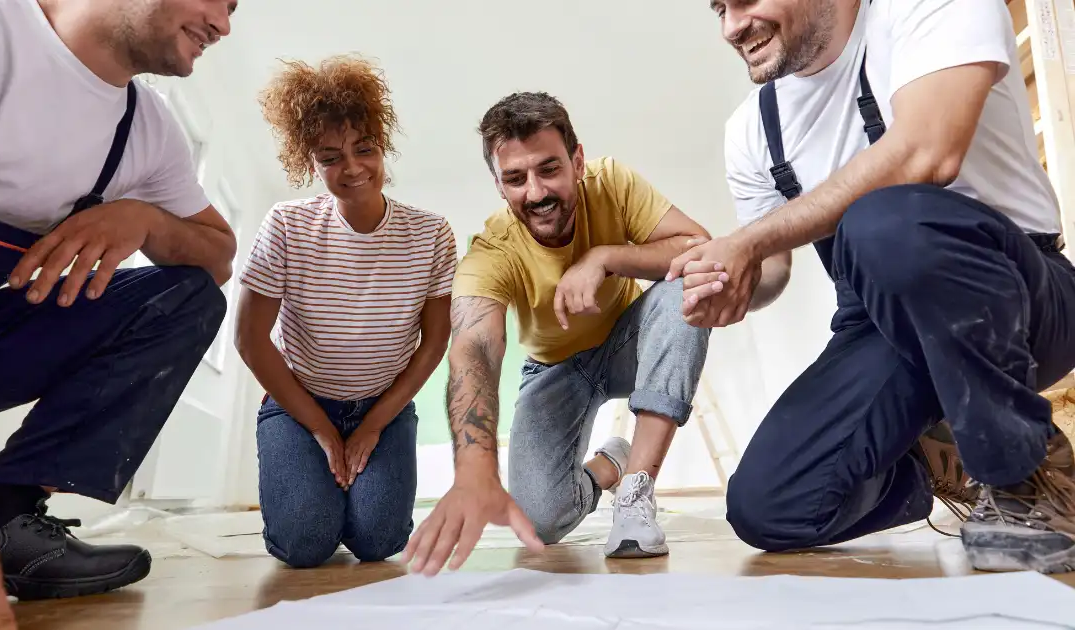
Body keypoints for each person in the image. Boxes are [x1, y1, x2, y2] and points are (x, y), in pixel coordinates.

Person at [674, 0, 1075, 573]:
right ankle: (943, 456)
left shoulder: (925, 9)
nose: (732, 27)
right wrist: (727, 283)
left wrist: (749, 242)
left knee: (882, 224)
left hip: (1021, 299)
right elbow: (773, 268)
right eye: (719, 9)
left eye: (745, 0)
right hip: (879, 326)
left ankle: (1026, 475)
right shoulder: (752, 129)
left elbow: (927, 151)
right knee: (770, 507)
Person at [0, 0, 239, 621]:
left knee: (186, 296)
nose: (224, 24)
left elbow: (218, 254)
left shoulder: (144, 130)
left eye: (234, 8)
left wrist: (144, 220)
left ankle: (2, 516)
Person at [403, 91, 713, 575]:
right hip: (555, 370)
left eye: (549, 169)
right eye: (515, 179)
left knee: (689, 285)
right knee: (540, 522)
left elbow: (699, 246)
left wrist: (605, 258)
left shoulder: (612, 182)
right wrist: (473, 467)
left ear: (577, 161)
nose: (536, 192)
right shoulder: (492, 249)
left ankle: (635, 494)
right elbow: (474, 349)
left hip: (627, 344)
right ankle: (611, 464)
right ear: (499, 186)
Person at [235, 54, 457, 569]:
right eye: (331, 157)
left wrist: (374, 425)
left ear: (383, 145)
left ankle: (344, 497)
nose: (353, 168)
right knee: (305, 544)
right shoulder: (286, 225)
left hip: (385, 406)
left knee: (379, 542)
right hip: (298, 405)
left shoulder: (431, 234)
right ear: (309, 162)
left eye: (365, 148)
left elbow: (434, 342)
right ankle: (316, 497)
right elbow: (249, 339)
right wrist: (319, 428)